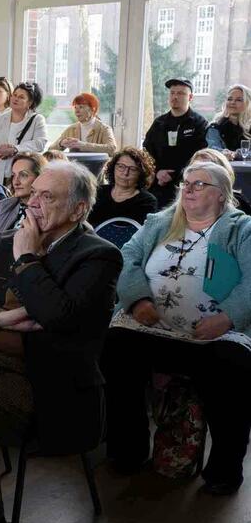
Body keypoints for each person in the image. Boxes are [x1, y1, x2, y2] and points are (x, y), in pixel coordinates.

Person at [0, 161, 122, 523]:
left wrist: (27, 259)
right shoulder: (9, 238)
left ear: (77, 210)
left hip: (36, 377)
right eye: (32, 193)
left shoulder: (98, 256)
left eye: (47, 197)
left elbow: (58, 317)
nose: (32, 203)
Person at [103, 160, 251, 495]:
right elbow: (128, 259)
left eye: (199, 184)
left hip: (214, 333)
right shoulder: (160, 220)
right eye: (186, 182)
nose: (188, 189)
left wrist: (226, 317)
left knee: (232, 366)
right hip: (153, 327)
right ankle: (128, 451)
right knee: (116, 346)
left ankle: (224, 471)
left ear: (221, 194)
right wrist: (138, 300)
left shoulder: (241, 229)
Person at [0, 152, 46, 268]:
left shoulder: (47, 212)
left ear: (40, 178)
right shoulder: (4, 206)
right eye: (14, 175)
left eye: (24, 175)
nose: (16, 182)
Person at [143, 77, 208, 209]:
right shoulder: (159, 123)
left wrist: (178, 175)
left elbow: (202, 157)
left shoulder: (199, 123)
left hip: (188, 184)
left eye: (181, 93)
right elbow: (146, 153)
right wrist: (157, 172)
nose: (175, 97)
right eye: (172, 93)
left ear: (190, 97)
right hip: (158, 183)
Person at [0, 81, 48, 185]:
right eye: (14, 95)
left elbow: (40, 143)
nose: (16, 99)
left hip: (23, 177)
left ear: (30, 103)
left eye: (21, 97)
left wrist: (15, 149)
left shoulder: (37, 119)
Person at [88, 147, 158, 228]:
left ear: (141, 174)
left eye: (133, 169)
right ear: (113, 168)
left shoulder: (147, 201)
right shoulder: (98, 191)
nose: (125, 173)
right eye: (121, 166)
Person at [48, 92, 117, 156]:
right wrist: (61, 143)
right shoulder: (71, 129)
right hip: (74, 168)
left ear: (92, 109)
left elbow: (112, 149)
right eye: (75, 107)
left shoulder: (104, 129)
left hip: (96, 168)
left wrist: (82, 145)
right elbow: (50, 151)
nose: (77, 111)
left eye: (81, 107)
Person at [191, 147, 251, 215]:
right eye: (195, 169)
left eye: (207, 169)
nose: (199, 174)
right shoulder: (183, 202)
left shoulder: (238, 204)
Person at [206, 83, 251, 161]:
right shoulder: (215, 126)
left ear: (248, 103)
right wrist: (224, 153)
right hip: (223, 170)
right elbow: (212, 149)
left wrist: (237, 154)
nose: (232, 102)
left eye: (239, 100)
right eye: (229, 99)